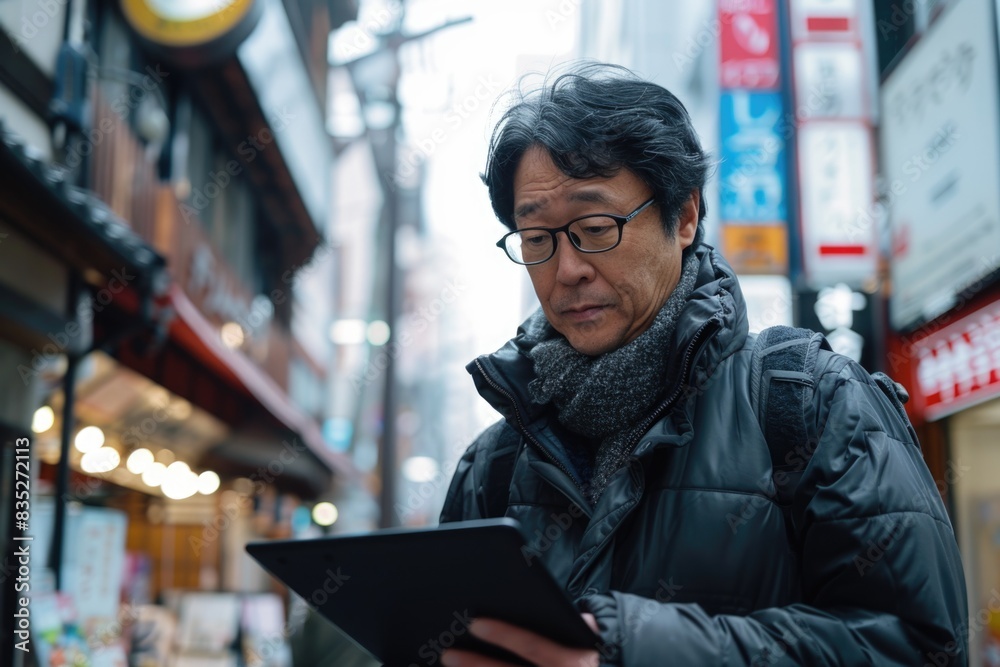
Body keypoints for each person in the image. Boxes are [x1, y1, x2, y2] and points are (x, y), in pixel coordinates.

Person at [436, 63, 969, 666]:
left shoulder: (809, 404)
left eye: (594, 227)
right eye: (536, 239)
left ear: (685, 215)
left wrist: (625, 651)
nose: (567, 270)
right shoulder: (494, 464)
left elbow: (919, 645)